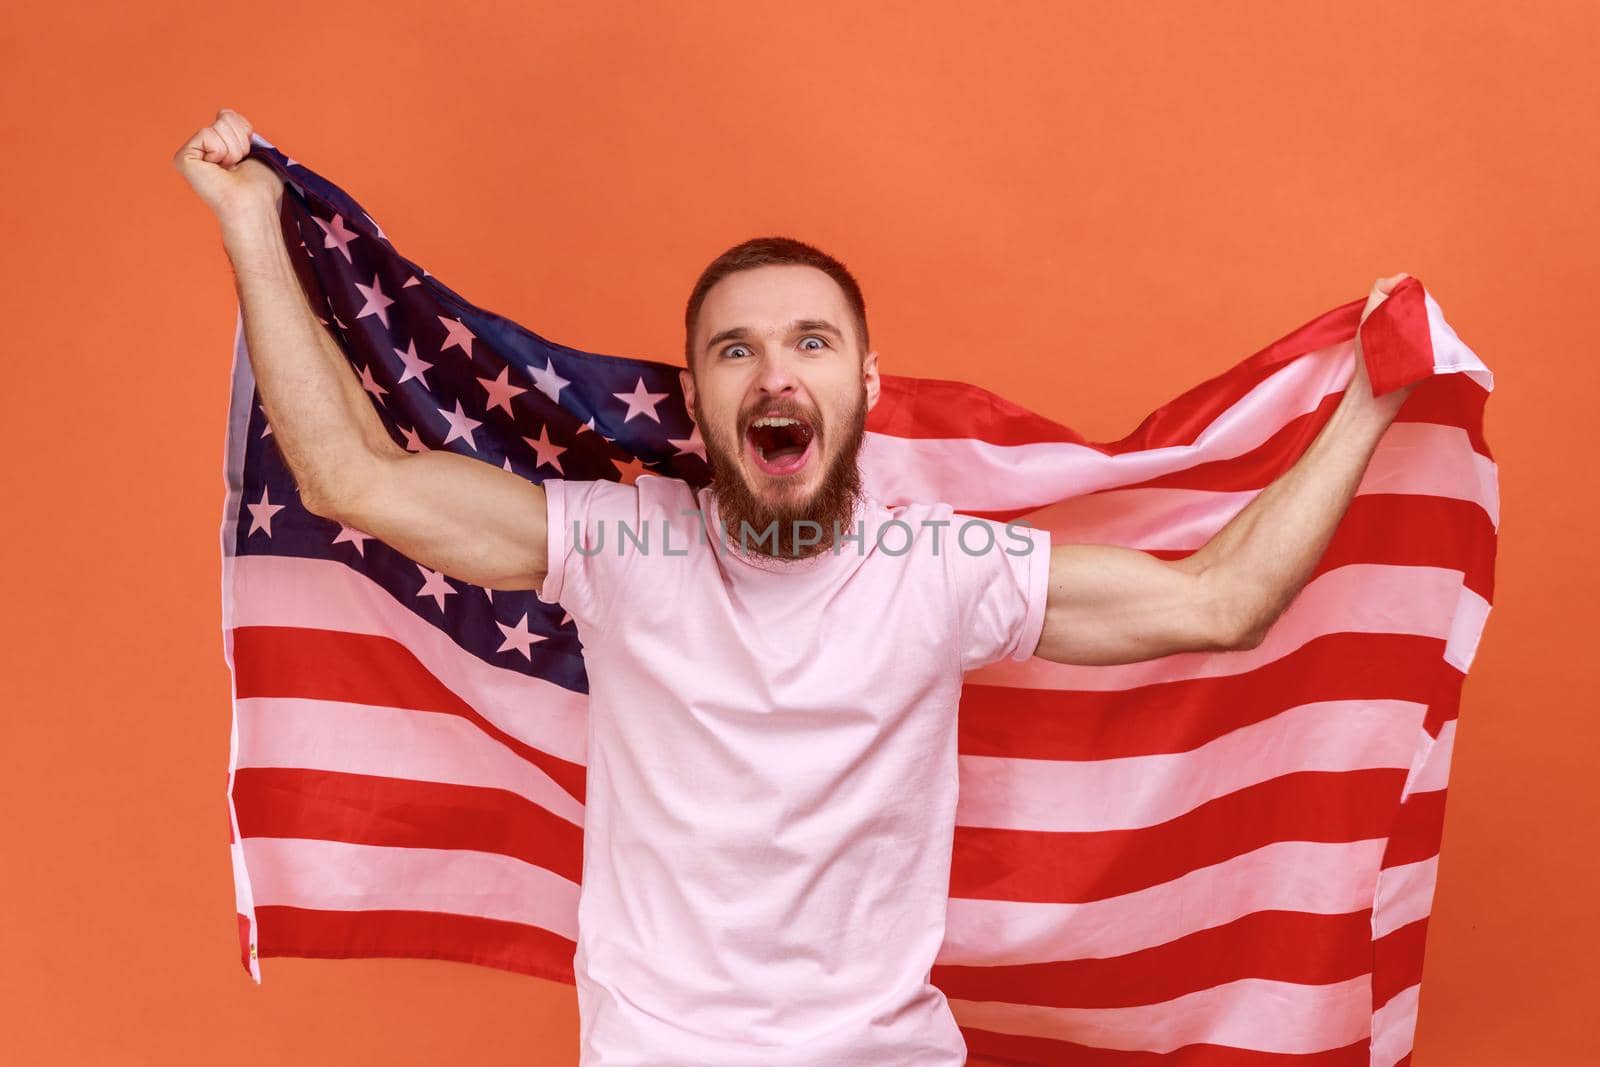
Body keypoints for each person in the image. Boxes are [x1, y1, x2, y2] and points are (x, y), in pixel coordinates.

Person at [176, 106, 1417, 1067]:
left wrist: (1372, 397)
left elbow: (1219, 599)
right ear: (702, 400)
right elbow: (350, 477)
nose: (775, 371)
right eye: (736, 349)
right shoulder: (620, 542)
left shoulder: (943, 573)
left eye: (810, 343)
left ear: (865, 388)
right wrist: (249, 222)